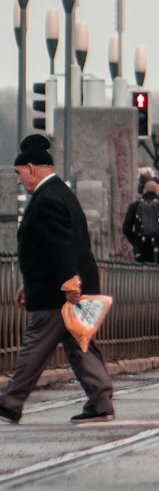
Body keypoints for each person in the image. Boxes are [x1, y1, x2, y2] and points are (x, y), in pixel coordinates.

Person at [0, 134, 115, 425]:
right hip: (65, 287)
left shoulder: (47, 199)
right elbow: (61, 246)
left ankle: (10, 402)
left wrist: (69, 284)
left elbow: (60, 246)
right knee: (81, 344)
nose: (18, 180)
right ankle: (101, 401)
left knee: (35, 347)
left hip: (60, 293)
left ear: (32, 167)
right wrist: (31, 283)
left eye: (19, 173)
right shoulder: (61, 194)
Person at [122, 173, 159, 264]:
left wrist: (136, 242)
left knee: (141, 277)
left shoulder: (135, 207)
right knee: (158, 277)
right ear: (157, 192)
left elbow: (126, 229)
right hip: (158, 251)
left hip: (140, 251)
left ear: (144, 191)